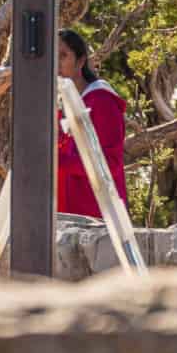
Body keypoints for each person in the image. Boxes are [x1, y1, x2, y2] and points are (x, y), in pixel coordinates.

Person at [56, 28, 126, 218]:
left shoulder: (102, 101)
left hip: (97, 216)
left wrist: (56, 162)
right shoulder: (58, 107)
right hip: (62, 215)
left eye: (63, 56)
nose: (56, 64)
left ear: (80, 61)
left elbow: (110, 162)